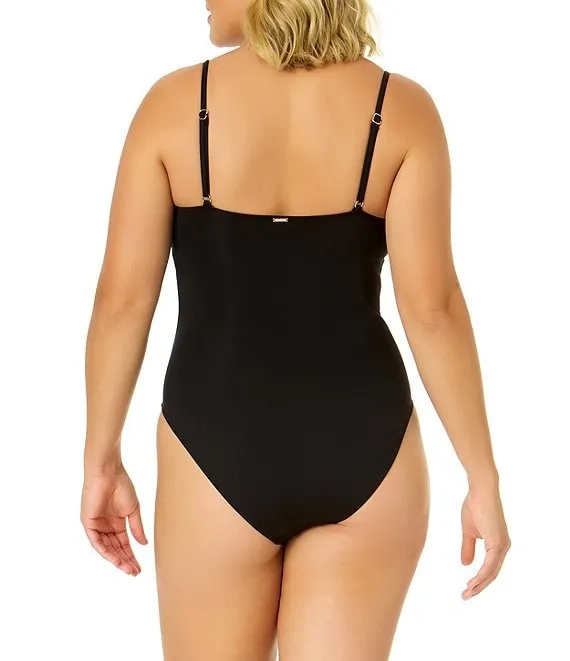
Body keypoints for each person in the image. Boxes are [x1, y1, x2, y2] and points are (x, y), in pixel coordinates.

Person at [80, 0, 511, 659]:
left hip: (215, 451)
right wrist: (482, 477)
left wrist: (101, 460)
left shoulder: (172, 106)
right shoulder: (402, 109)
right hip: (370, 457)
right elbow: (433, 310)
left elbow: (122, 300)